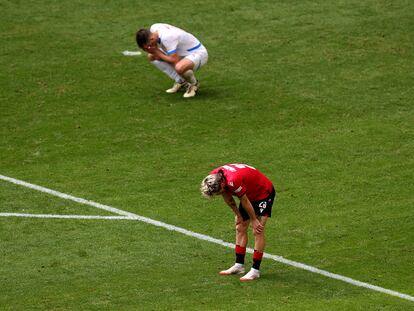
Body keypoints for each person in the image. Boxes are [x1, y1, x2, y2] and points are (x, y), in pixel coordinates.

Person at [200, 164, 276, 281]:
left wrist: (255, 220)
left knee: (257, 230)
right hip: (248, 193)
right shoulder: (215, 176)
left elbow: (244, 200)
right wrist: (238, 214)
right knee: (240, 227)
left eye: (218, 192)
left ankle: (255, 270)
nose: (219, 194)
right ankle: (239, 265)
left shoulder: (232, 181)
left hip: (262, 193)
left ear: (222, 184)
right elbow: (227, 196)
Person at [135, 23, 208, 98]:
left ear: (152, 39)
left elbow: (174, 60)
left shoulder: (167, 38)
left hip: (198, 53)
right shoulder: (154, 28)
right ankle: (181, 81)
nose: (148, 49)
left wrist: (156, 51)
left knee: (179, 67)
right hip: (182, 52)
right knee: (152, 56)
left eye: (148, 46)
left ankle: (194, 84)